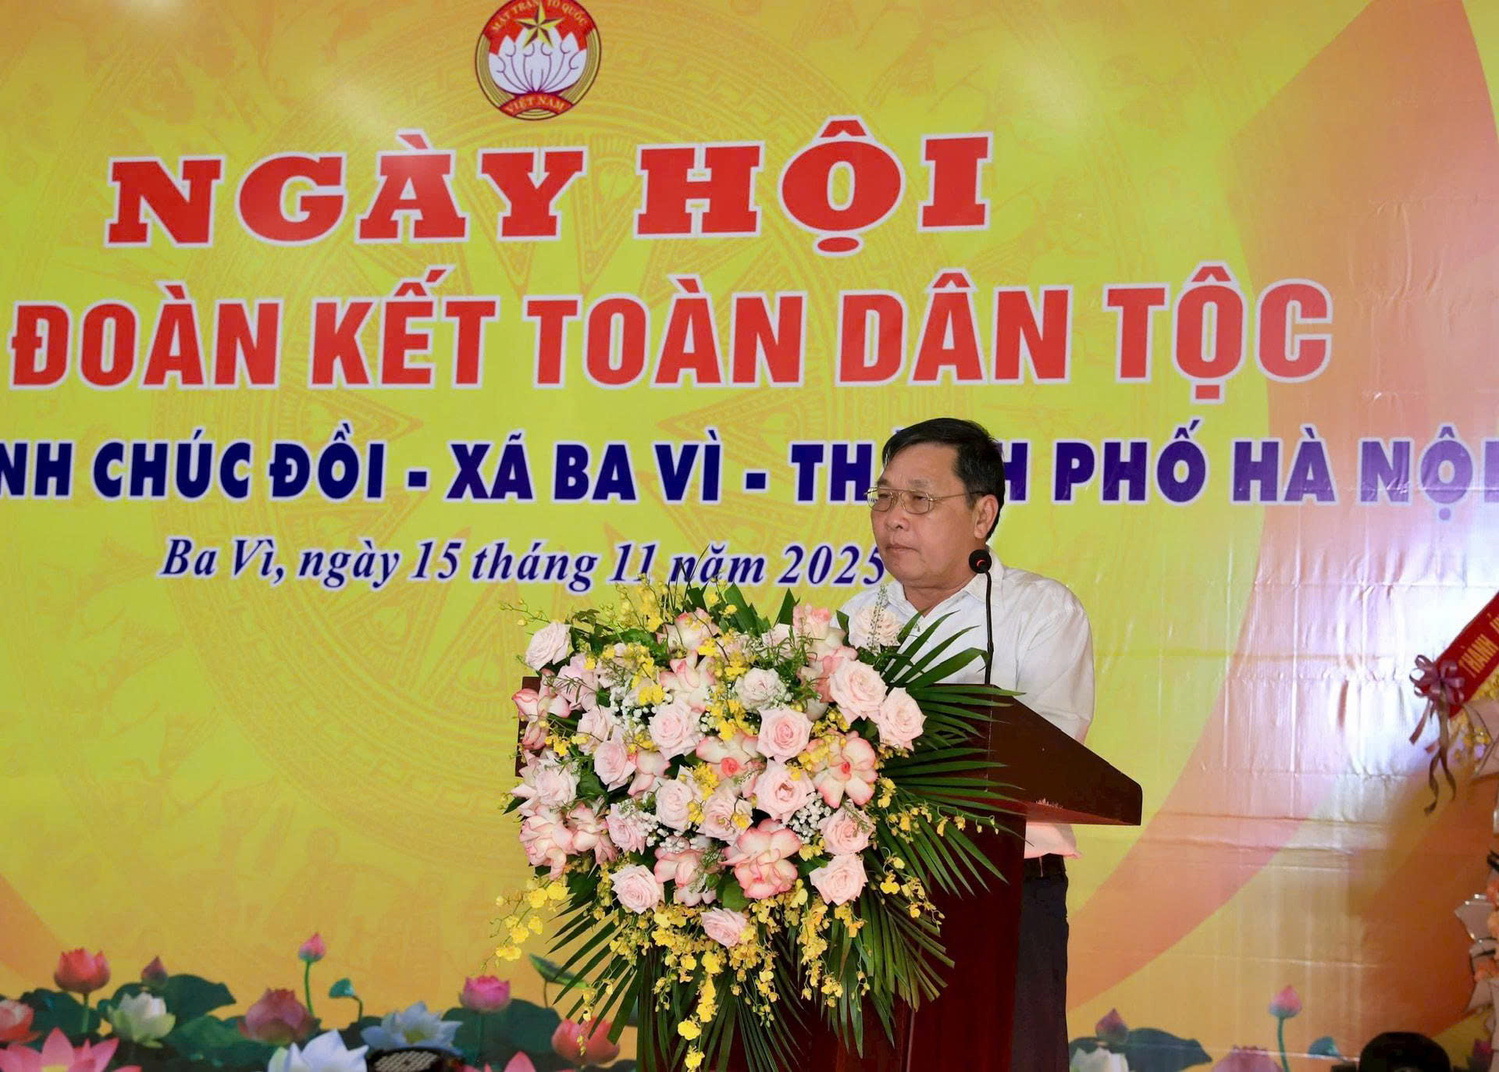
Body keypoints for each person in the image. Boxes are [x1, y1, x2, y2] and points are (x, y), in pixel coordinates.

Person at [840, 417, 1094, 1072]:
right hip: (871, 893)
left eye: (919, 499)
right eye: (883, 496)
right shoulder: (851, 621)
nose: (893, 517)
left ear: (983, 514)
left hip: (1005, 887)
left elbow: (1049, 752)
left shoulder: (1039, 612)